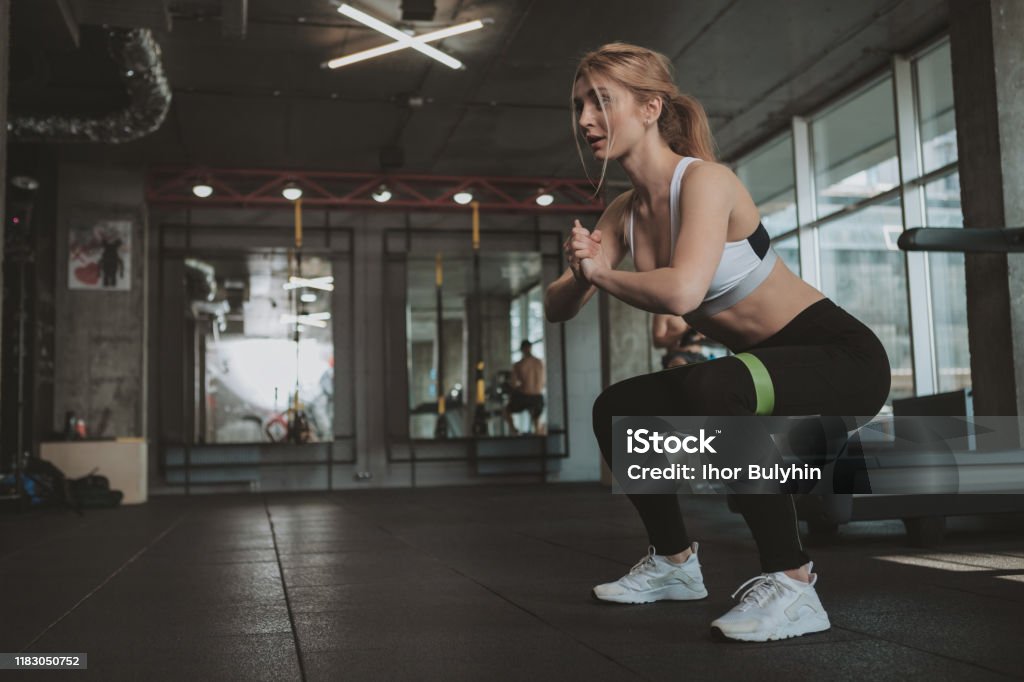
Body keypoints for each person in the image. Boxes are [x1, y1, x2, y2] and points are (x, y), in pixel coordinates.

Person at [544, 43, 890, 642]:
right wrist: (580, 273)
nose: (585, 121)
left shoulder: (705, 182)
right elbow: (556, 308)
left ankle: (794, 584)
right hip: (762, 365)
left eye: (601, 102)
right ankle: (675, 564)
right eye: (580, 106)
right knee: (615, 407)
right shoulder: (625, 212)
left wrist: (600, 274)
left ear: (650, 107)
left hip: (842, 359)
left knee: (717, 383)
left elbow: (681, 292)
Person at [502, 340, 546, 435]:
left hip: (525, 397)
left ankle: (514, 431)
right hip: (538, 397)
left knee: (506, 411)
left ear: (522, 350)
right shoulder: (540, 363)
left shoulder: (519, 364)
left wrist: (517, 388)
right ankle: (539, 435)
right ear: (530, 348)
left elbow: (513, 384)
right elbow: (543, 382)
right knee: (536, 422)